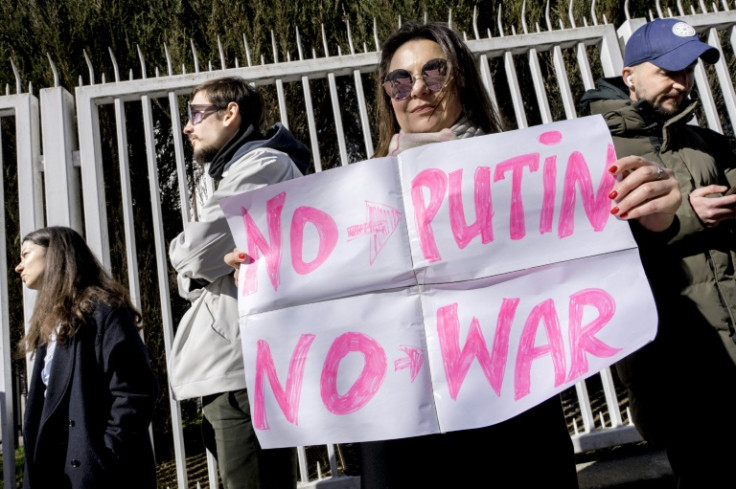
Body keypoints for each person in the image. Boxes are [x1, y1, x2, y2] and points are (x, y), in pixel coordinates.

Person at [226, 21, 680, 487]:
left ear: (460, 78)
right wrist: (264, 275)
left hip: (513, 424)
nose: (418, 88)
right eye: (399, 80)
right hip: (402, 439)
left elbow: (601, 261)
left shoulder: (535, 179)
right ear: (388, 96)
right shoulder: (350, 203)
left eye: (434, 72)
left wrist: (654, 217)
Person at [579, 17, 736, 488]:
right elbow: (590, 248)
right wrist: (685, 216)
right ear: (628, 76)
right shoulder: (593, 153)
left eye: (688, 70)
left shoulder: (704, 142)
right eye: (668, 69)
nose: (681, 81)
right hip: (676, 364)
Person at [168, 76, 310, 489]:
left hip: (243, 371)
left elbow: (190, 255)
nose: (187, 127)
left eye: (196, 114)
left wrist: (194, 260)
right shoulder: (238, 170)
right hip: (235, 367)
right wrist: (201, 265)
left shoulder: (261, 165)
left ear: (230, 114)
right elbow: (194, 269)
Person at [15, 226, 158, 489]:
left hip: (100, 475)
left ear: (55, 254)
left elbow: (135, 391)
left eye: (26, 254)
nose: (18, 266)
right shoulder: (53, 323)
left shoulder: (105, 311)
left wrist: (104, 457)